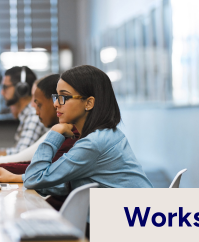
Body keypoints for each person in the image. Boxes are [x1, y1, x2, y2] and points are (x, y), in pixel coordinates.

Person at [20, 65, 153, 197]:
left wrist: (55, 132)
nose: (56, 104)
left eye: (64, 97)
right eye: (57, 96)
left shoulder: (94, 143)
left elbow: (33, 179)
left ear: (89, 103)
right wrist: (22, 178)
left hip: (138, 215)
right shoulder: (105, 134)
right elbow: (76, 184)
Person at [0, 74, 67, 176]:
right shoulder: (63, 130)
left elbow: (42, 169)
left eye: (38, 102)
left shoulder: (67, 132)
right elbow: (39, 167)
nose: (32, 105)